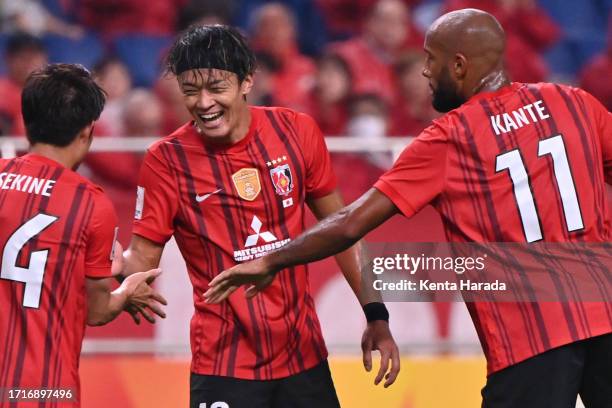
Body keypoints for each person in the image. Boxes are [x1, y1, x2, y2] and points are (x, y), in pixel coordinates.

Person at [206, 9, 612, 408]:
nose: (424, 71)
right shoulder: (573, 101)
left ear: (458, 65)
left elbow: (350, 223)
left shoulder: (450, 138)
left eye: (430, 59)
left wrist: (271, 260)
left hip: (533, 335)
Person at [116, 25, 400, 408]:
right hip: (223, 363)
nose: (203, 103)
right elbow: (142, 261)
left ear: (247, 80)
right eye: (190, 90)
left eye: (216, 87)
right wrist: (118, 270)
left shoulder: (296, 132)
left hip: (303, 357)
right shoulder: (165, 161)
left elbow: (344, 230)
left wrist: (376, 314)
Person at [0, 63, 167, 406]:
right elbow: (97, 311)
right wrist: (125, 295)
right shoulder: (90, 204)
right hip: (44, 389)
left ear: (28, 121)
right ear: (88, 130)